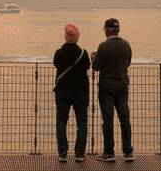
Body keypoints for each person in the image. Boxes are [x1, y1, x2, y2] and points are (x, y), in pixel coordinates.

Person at [91, 17, 133, 162]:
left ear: (107, 30)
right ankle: (128, 152)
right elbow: (127, 63)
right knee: (124, 118)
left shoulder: (103, 46)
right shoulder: (126, 45)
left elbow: (96, 67)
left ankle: (109, 152)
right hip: (122, 86)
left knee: (108, 119)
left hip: (107, 87)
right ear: (118, 30)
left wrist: (93, 58)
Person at [53, 23, 90, 163]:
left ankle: (63, 153)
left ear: (65, 36)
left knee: (61, 122)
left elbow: (56, 64)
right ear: (77, 37)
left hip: (62, 91)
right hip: (81, 92)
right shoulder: (83, 53)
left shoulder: (59, 53)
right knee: (82, 122)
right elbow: (87, 66)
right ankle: (80, 153)